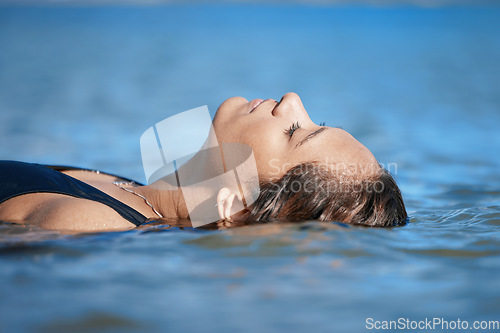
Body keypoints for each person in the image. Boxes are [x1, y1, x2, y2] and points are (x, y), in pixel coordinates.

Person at [0, 93, 407, 232]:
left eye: (295, 132)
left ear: (234, 206)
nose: (292, 101)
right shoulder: (126, 191)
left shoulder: (93, 224)